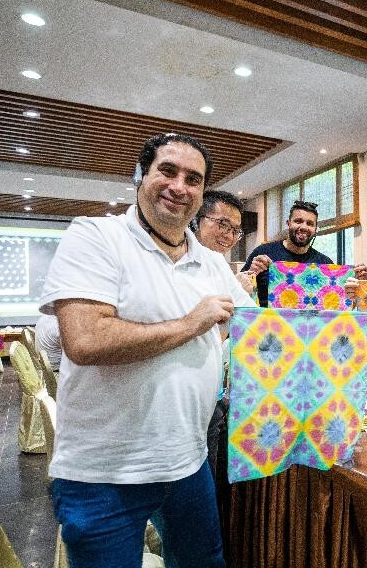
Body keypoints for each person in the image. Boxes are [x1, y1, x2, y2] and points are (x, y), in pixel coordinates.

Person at [40, 133, 253, 568]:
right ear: (140, 175)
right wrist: (192, 323)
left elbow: (258, 327)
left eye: (193, 179)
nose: (180, 186)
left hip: (187, 462)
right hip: (104, 473)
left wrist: (338, 304)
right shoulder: (96, 236)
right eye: (168, 171)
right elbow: (85, 340)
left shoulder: (211, 262)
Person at [190, 190, 262, 482]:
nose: (229, 235)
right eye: (221, 224)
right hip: (185, 402)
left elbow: (250, 317)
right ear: (197, 219)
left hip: (215, 396)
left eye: (235, 230)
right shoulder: (173, 259)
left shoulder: (217, 263)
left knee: (212, 483)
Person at [242, 199, 367, 306]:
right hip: (267, 329)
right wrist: (251, 273)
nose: (303, 227)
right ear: (288, 223)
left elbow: (335, 304)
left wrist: (359, 285)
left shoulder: (324, 264)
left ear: (315, 229)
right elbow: (238, 290)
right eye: (298, 221)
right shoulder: (264, 252)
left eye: (309, 223)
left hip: (311, 332)